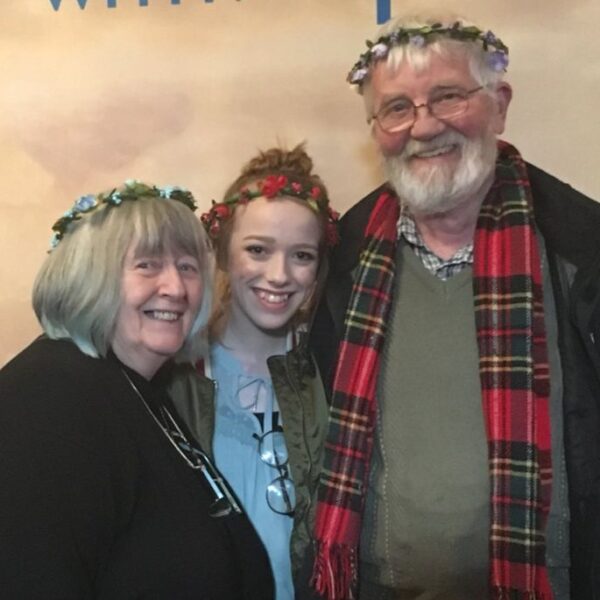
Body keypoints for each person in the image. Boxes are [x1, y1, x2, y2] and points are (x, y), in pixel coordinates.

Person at [310, 15, 600, 600]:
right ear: (375, 128)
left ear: (499, 103)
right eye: (397, 108)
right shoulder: (339, 260)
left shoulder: (581, 248)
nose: (424, 126)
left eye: (447, 96)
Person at [0, 180, 274, 599]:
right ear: (89, 276)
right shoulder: (50, 395)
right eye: (147, 265)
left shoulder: (140, 388)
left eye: (187, 266)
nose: (176, 288)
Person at [170, 145, 338, 600]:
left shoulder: (334, 370)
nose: (279, 275)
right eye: (258, 250)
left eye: (301, 255)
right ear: (223, 253)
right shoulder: (176, 375)